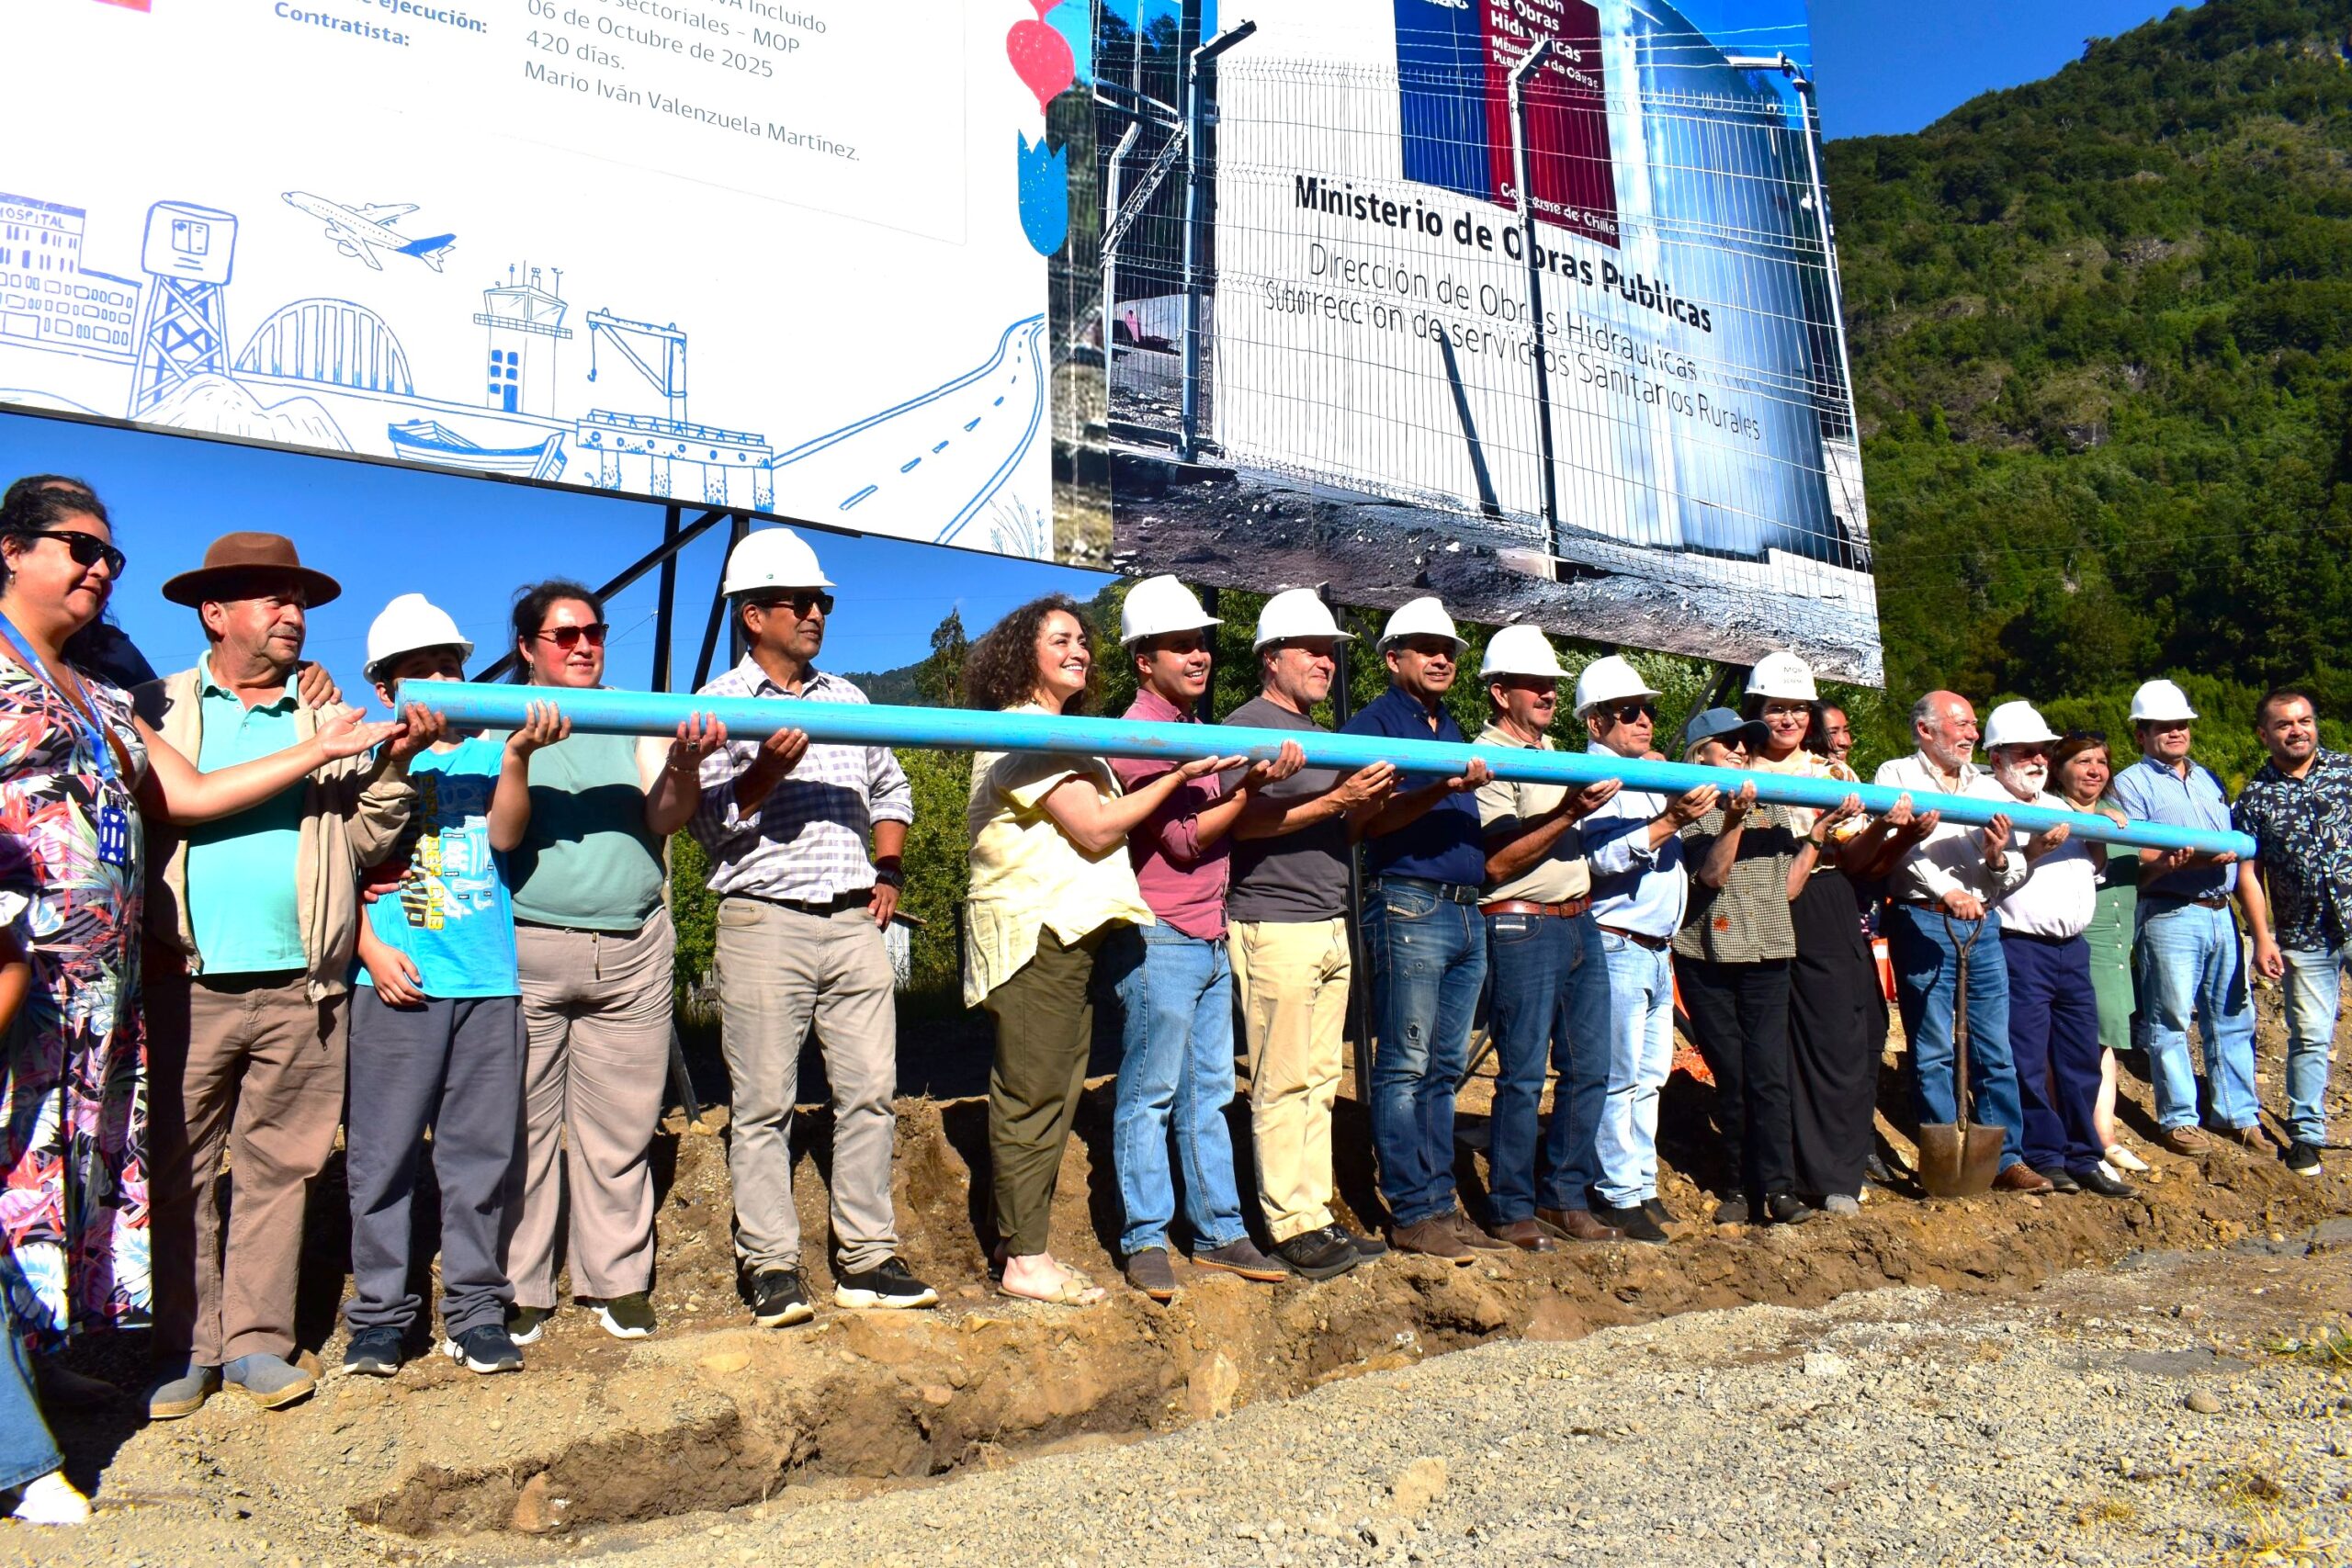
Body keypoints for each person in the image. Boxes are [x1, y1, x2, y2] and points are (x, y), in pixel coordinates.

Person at [137, 531, 431, 1417]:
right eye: (272, 598)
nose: (294, 615)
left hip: (305, 984)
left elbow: (365, 841)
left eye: (299, 601)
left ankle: (258, 1341)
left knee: (281, 1166)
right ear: (214, 613)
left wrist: (394, 766)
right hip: (184, 977)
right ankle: (186, 1345)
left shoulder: (324, 717)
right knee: (176, 1166)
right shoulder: (156, 704)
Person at [690, 530, 938, 1327]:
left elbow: (891, 787)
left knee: (869, 1092)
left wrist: (889, 870)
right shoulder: (716, 705)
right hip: (764, 919)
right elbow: (710, 827)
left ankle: (867, 1256)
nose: (816, 613)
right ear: (752, 613)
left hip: (853, 917)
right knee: (763, 1102)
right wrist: (764, 770)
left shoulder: (848, 700)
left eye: (821, 601)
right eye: (801, 601)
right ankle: (770, 1265)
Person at [962, 595, 1231, 1307]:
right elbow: (1094, 827)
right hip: (1035, 931)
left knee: (1049, 1090)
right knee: (1034, 1094)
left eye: (1082, 639)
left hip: (1067, 932)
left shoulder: (1060, 731)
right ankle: (1025, 1258)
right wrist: (1178, 774)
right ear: (1025, 654)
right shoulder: (1026, 730)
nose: (1078, 649)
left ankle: (1014, 1238)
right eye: (1060, 639)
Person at [342, 597, 568, 1379]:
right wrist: (368, 947)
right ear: (385, 686)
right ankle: (379, 1317)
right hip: (397, 984)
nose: (441, 681)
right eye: (420, 670)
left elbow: (504, 836)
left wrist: (515, 760)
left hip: (485, 981)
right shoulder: (361, 754)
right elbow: (335, 866)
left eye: (450, 665)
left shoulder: (488, 747)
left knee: (478, 1156)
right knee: (384, 1155)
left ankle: (474, 1309)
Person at [501, 578, 719, 1343]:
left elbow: (663, 815)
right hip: (530, 944)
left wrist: (684, 765)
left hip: (630, 947)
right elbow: (501, 835)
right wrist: (520, 754)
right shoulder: (503, 719)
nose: (586, 644)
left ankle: (616, 1278)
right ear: (528, 648)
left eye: (594, 630)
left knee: (622, 1127)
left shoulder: (639, 714)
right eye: (566, 635)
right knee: (523, 1127)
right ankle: (524, 1286)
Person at [1099, 577, 1299, 1298]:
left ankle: (1218, 1229)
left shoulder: (1195, 731)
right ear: (1142, 659)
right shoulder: (1137, 732)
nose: (1199, 653)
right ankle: (1145, 1237)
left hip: (1204, 934)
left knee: (1209, 1091)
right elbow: (1183, 842)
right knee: (1152, 1092)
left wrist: (1249, 780)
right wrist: (1251, 787)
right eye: (1180, 643)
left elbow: (1214, 828)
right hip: (1164, 936)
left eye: (1202, 642)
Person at [1222, 591, 1396, 1280]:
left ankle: (1315, 1213)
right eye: (1313, 650)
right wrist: (1336, 800)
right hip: (1275, 922)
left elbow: (1337, 826)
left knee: (1320, 1079)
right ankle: (1289, 1221)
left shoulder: (1326, 736)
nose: (1327, 662)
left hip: (1326, 920)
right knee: (1284, 1078)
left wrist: (1361, 806)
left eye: (1331, 652)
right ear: (1271, 657)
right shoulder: (1245, 725)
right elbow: (1240, 823)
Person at [1339, 596, 1502, 1261]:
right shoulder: (1373, 724)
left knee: (1440, 1067)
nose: (1442, 657)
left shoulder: (1452, 726)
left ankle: (1438, 1203)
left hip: (1463, 908)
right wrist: (1437, 789)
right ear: (1391, 657)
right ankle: (1411, 1209)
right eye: (1426, 646)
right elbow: (1366, 824)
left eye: (1450, 649)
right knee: (1405, 1066)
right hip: (1410, 903)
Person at [1674, 706, 1852, 1225]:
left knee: (1770, 1074)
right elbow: (1711, 876)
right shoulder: (1688, 804)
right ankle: (1735, 1186)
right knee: (1732, 1073)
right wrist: (1733, 819)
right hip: (1708, 954)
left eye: (1743, 743)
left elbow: (1790, 886)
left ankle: (1778, 1188)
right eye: (1725, 742)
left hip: (1768, 950)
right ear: (1698, 753)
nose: (1737, 749)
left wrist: (1818, 833)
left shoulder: (1771, 804)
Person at [1474, 626, 1622, 1248]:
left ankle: (1563, 1194)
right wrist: (1569, 812)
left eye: (1554, 685)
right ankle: (1511, 1207)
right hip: (1521, 920)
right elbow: (1496, 863)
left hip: (1574, 918)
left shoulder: (1558, 751)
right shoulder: (1485, 755)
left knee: (1592, 1066)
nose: (1549, 693)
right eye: (1536, 684)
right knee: (1524, 1071)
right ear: (1500, 691)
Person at [1872, 692, 2044, 1192]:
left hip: (1982, 924)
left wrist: (1995, 861)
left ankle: (2005, 1158)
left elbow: (2007, 874)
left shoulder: (1990, 788)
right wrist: (1947, 891)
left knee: (1994, 1046)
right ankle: (1942, 1158)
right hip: (1922, 919)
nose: (1972, 734)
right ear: (1926, 730)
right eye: (1963, 724)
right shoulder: (1895, 776)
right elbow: (1897, 849)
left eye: (1974, 725)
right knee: (1931, 1048)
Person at [1571, 656, 1718, 1243]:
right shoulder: (1593, 778)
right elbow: (1596, 862)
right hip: (1617, 943)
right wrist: (1667, 823)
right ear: (1596, 722)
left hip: (1655, 949)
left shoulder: (1647, 775)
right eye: (1629, 712)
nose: (1644, 721)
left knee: (1649, 1075)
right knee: (1618, 1074)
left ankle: (1639, 1183)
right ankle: (1616, 1191)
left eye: (1648, 711)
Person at [1740, 654, 1883, 1218]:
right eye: (1777, 708)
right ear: (1758, 710)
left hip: (1822, 901)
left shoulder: (1834, 777)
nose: (1788, 719)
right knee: (1767, 1043)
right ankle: (1777, 1173)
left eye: (1798, 709)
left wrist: (1891, 828)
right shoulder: (1731, 765)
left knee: (1835, 1039)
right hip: (1753, 898)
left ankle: (1836, 1174)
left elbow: (1858, 858)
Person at [2105, 679, 2267, 1157]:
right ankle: (2178, 1118)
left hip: (2222, 913)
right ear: (2141, 733)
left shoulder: (2206, 778)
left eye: (2182, 725)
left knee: (2233, 1016)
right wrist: (2190, 861)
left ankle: (2238, 1114)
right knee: (2169, 1018)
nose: (2176, 733)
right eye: (2163, 726)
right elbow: (2138, 857)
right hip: (2171, 912)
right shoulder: (2130, 784)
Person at [1981, 702, 2137, 1199]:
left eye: (2042, 752)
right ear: (1998, 755)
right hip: (2021, 947)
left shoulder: (2057, 807)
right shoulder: (1983, 802)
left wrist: (2097, 823)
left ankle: (2083, 1154)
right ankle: (2045, 1154)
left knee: (2077, 1057)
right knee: (2027, 1056)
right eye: (2025, 752)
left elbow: (2089, 871)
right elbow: (1987, 878)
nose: (2037, 760)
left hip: (2073, 949)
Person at [2232, 687, 2346, 1179]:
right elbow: (2247, 874)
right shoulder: (2254, 796)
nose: (2297, 730)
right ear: (2265, 734)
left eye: (2304, 721)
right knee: (2311, 1037)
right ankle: (2307, 1135)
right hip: (2304, 935)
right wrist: (2263, 936)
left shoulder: (2347, 773)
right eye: (2284, 724)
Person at [2048, 731, 2152, 1177]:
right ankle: (2079, 1139)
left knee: (2105, 1041)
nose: (2094, 770)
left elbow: (2137, 871)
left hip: (2114, 944)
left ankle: (2102, 1137)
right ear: (2060, 769)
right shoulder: (2050, 814)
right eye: (2083, 761)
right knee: (2071, 1047)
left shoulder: (2119, 817)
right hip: (2075, 940)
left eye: (2101, 762)